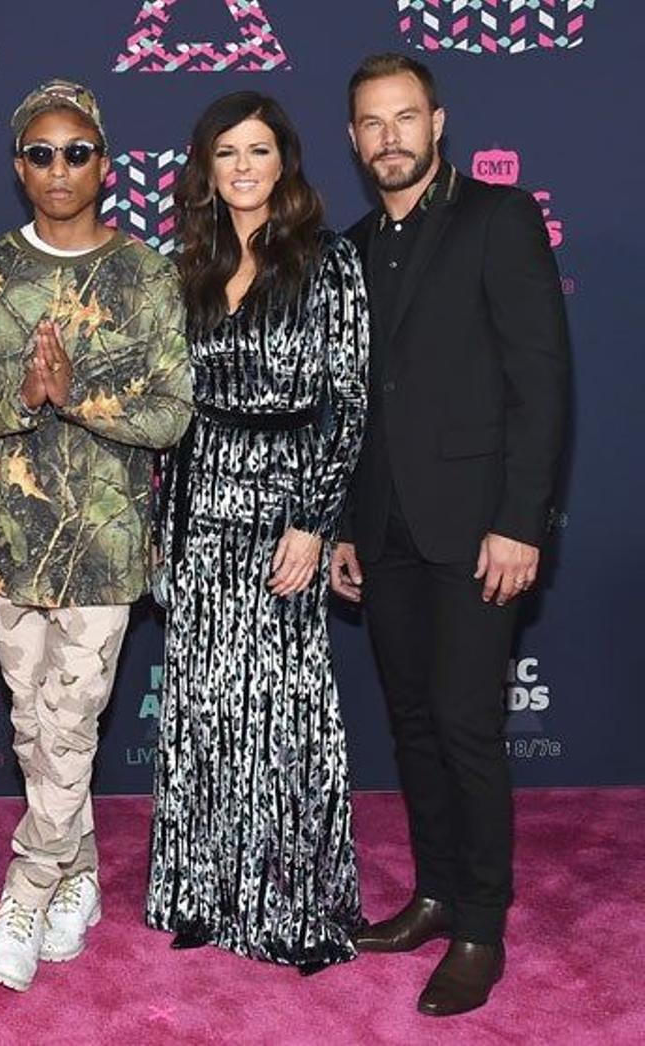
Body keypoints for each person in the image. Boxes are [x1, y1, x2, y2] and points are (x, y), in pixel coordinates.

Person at [0, 79, 192, 992]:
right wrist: (25, 398)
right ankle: (80, 877)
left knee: (70, 725)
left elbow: (171, 415)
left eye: (75, 151)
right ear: (18, 167)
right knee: (38, 731)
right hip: (9, 542)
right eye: (40, 152)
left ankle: (28, 886)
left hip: (107, 546)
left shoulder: (148, 274)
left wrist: (76, 396)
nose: (58, 167)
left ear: (104, 164)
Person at [331, 54, 571, 1016]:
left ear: (438, 124)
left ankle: (480, 924)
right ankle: (432, 893)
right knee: (416, 722)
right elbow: (352, 404)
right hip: (385, 528)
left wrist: (520, 523)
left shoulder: (496, 220)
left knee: (469, 726)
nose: (388, 137)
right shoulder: (350, 247)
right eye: (370, 123)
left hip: (478, 531)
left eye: (404, 118)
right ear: (354, 139)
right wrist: (348, 524)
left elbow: (541, 384)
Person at [145, 92, 369, 972]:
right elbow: (175, 411)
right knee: (202, 701)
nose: (243, 166)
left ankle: (291, 900)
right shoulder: (187, 265)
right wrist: (165, 524)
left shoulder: (327, 261)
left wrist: (314, 522)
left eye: (259, 150)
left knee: (284, 705)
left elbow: (345, 407)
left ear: (286, 162)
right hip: (198, 503)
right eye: (226, 152)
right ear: (207, 165)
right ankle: (203, 889)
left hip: (285, 507)